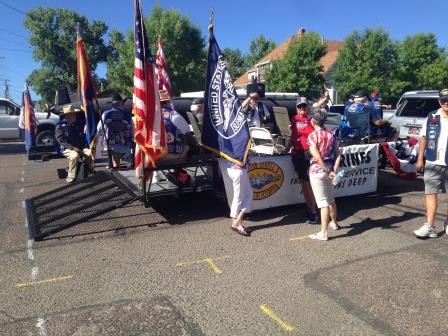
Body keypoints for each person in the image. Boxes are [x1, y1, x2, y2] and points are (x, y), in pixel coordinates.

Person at [413, 88, 448, 238]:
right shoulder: (432, 116)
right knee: (430, 193)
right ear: (439, 101)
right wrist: (420, 158)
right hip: (433, 161)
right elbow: (424, 138)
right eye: (443, 100)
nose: (446, 103)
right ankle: (430, 226)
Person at [307, 109, 342, 241]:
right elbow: (338, 153)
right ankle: (334, 222)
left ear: (313, 121)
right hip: (330, 170)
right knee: (331, 199)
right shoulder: (331, 135)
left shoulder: (312, 136)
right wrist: (334, 170)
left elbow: (316, 156)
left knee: (322, 203)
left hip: (318, 171)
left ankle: (323, 232)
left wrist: (327, 170)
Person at [284, 97, 318, 223]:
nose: (302, 108)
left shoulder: (312, 120)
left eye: (304, 106)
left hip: (307, 154)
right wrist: (286, 149)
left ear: (308, 107)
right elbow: (292, 137)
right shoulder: (294, 119)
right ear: (297, 108)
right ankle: (310, 209)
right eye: (300, 106)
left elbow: (318, 135)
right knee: (303, 184)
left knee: (308, 184)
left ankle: (313, 212)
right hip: (296, 154)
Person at [55, 104, 92, 183]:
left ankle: (86, 172)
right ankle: (71, 176)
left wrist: (86, 125)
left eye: (74, 114)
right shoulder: (60, 126)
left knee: (89, 153)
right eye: (73, 114)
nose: (75, 116)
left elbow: (87, 120)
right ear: (67, 116)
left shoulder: (77, 124)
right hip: (67, 148)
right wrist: (72, 148)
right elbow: (60, 140)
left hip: (80, 147)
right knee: (74, 156)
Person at [98, 94, 133, 169]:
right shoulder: (128, 116)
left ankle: (117, 165)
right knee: (125, 166)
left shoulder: (106, 114)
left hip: (111, 145)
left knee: (115, 165)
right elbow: (132, 131)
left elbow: (99, 129)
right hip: (125, 145)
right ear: (121, 104)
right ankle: (127, 161)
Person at [157, 89, 191, 165]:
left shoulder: (153, 117)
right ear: (168, 102)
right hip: (172, 152)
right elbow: (187, 131)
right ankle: (178, 171)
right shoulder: (174, 115)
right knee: (187, 147)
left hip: (155, 153)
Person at [227, 160, 253, 237]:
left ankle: (237, 221)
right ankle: (236, 223)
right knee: (239, 197)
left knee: (248, 194)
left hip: (237, 168)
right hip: (238, 169)